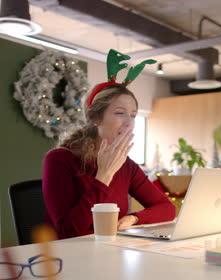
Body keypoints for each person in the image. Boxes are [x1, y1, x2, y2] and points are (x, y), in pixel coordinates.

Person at [42, 51, 176, 240]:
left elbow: (167, 208)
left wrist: (133, 218)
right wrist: (103, 176)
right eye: (120, 113)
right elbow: (69, 231)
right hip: (68, 256)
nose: (129, 122)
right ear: (96, 118)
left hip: (110, 250)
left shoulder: (126, 164)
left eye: (133, 115)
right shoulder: (60, 159)